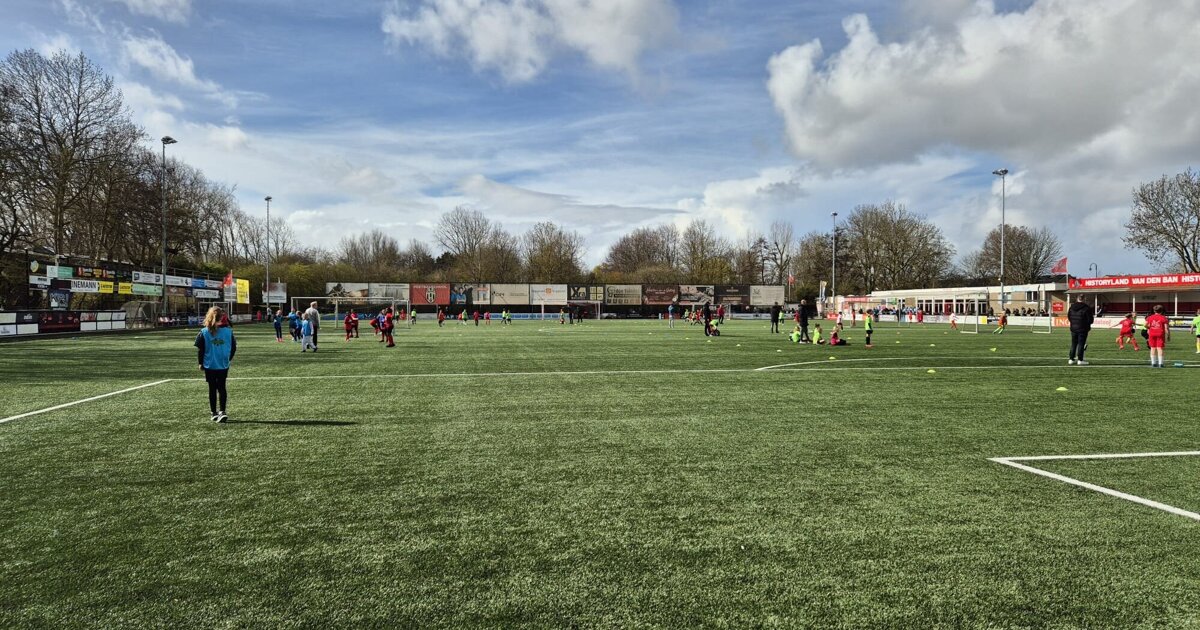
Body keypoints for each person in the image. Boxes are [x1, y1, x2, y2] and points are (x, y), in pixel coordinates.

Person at [195, 306, 236, 423]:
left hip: (210, 364)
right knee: (222, 387)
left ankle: (213, 412)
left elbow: (200, 349)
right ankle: (222, 411)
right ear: (222, 317)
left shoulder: (204, 332)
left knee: (212, 388)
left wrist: (200, 363)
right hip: (223, 364)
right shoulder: (228, 332)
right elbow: (233, 348)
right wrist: (229, 359)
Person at [1067, 295, 1094, 365]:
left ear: (1077, 299)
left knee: (1073, 344)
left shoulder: (1071, 307)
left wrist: (1073, 323)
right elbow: (1090, 320)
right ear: (1084, 299)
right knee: (1081, 344)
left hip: (1073, 328)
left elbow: (1069, 317)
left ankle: (1071, 359)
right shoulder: (1086, 308)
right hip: (1083, 328)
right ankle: (1080, 360)